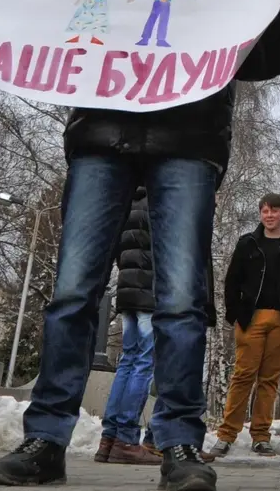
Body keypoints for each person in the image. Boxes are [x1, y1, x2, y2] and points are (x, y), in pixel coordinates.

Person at [0, 0, 280, 491]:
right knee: (74, 290)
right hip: (103, 133)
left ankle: (179, 446)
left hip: (187, 140)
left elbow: (262, 62)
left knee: (182, 299)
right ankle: (44, 440)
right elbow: (53, 11)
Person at [210, 193, 280, 458]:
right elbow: (232, 281)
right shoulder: (247, 244)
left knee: (269, 379)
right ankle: (226, 435)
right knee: (243, 375)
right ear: (260, 214)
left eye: (274, 211)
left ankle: (261, 436)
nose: (269, 216)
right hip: (251, 318)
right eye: (265, 211)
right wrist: (235, 313)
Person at [96, 186, 161, 466]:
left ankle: (108, 438)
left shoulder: (126, 198)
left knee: (127, 362)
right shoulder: (159, 199)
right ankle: (126, 438)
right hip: (149, 292)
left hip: (127, 290)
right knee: (143, 364)